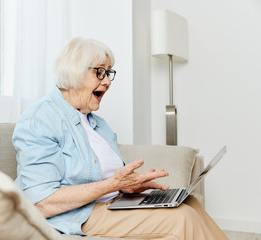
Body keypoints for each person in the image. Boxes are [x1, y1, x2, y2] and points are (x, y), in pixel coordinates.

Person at [12, 37, 228, 239]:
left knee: (190, 203)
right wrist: (113, 184)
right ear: (74, 72)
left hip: (114, 202)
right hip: (78, 215)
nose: (107, 81)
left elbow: (105, 178)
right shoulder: (39, 120)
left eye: (109, 73)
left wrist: (127, 186)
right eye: (99, 72)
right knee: (183, 217)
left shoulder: (98, 123)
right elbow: (41, 202)